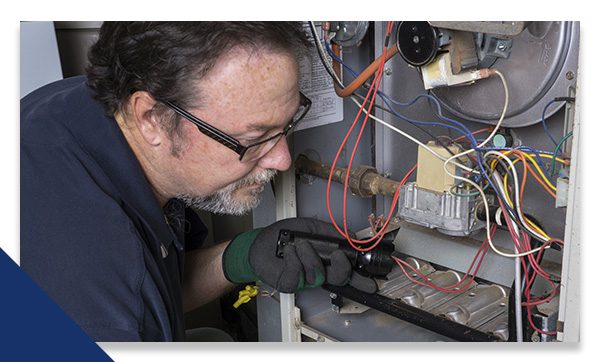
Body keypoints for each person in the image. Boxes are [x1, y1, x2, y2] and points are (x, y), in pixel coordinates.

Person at [21, 21, 375, 342]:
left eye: (286, 124)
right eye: (254, 138)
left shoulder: (84, 105)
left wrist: (241, 256)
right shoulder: (97, 308)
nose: (282, 160)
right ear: (151, 118)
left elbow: (155, 287)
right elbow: (127, 299)